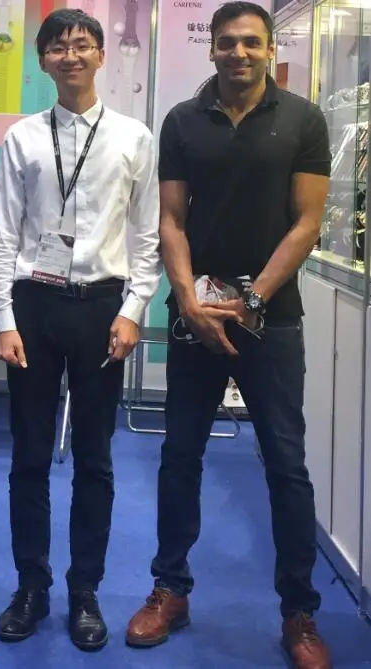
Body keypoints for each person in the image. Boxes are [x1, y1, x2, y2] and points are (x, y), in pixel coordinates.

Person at [125, 4, 331, 669]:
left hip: (273, 318)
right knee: (179, 456)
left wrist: (251, 300)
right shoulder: (182, 121)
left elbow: (306, 222)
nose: (237, 52)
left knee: (286, 464)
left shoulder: (303, 119)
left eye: (250, 42)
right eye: (226, 43)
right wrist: (187, 300)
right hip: (196, 317)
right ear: (211, 49)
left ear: (269, 49)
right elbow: (170, 219)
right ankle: (170, 589)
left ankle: (298, 612)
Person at [0, 8, 161, 651]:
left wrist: (133, 310)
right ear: (43, 61)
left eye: (82, 44)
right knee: (29, 457)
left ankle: (85, 589)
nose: (71, 55)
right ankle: (31, 587)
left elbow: (146, 236)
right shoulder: (22, 137)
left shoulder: (134, 137)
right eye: (58, 47)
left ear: (100, 55)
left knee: (95, 459)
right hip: (34, 305)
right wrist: (2, 319)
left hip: (101, 308)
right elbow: (3, 235)